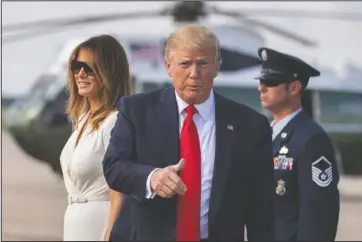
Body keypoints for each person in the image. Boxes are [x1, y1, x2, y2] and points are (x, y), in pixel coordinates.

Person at [102, 25, 274, 241]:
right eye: (185, 64)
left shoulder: (250, 125)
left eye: (203, 63)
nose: (194, 74)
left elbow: (262, 208)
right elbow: (114, 167)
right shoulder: (137, 111)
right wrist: (151, 178)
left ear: (217, 66)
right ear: (168, 66)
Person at [255, 47, 340, 241]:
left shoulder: (311, 140)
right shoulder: (264, 135)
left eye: (271, 81)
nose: (261, 88)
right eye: (261, 81)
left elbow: (319, 217)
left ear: (294, 88)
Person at [60, 34, 131, 241]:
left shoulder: (116, 122)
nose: (80, 74)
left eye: (89, 68)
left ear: (109, 72)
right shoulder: (83, 120)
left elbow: (119, 191)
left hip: (99, 223)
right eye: (76, 65)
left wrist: (111, 235)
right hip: (75, 222)